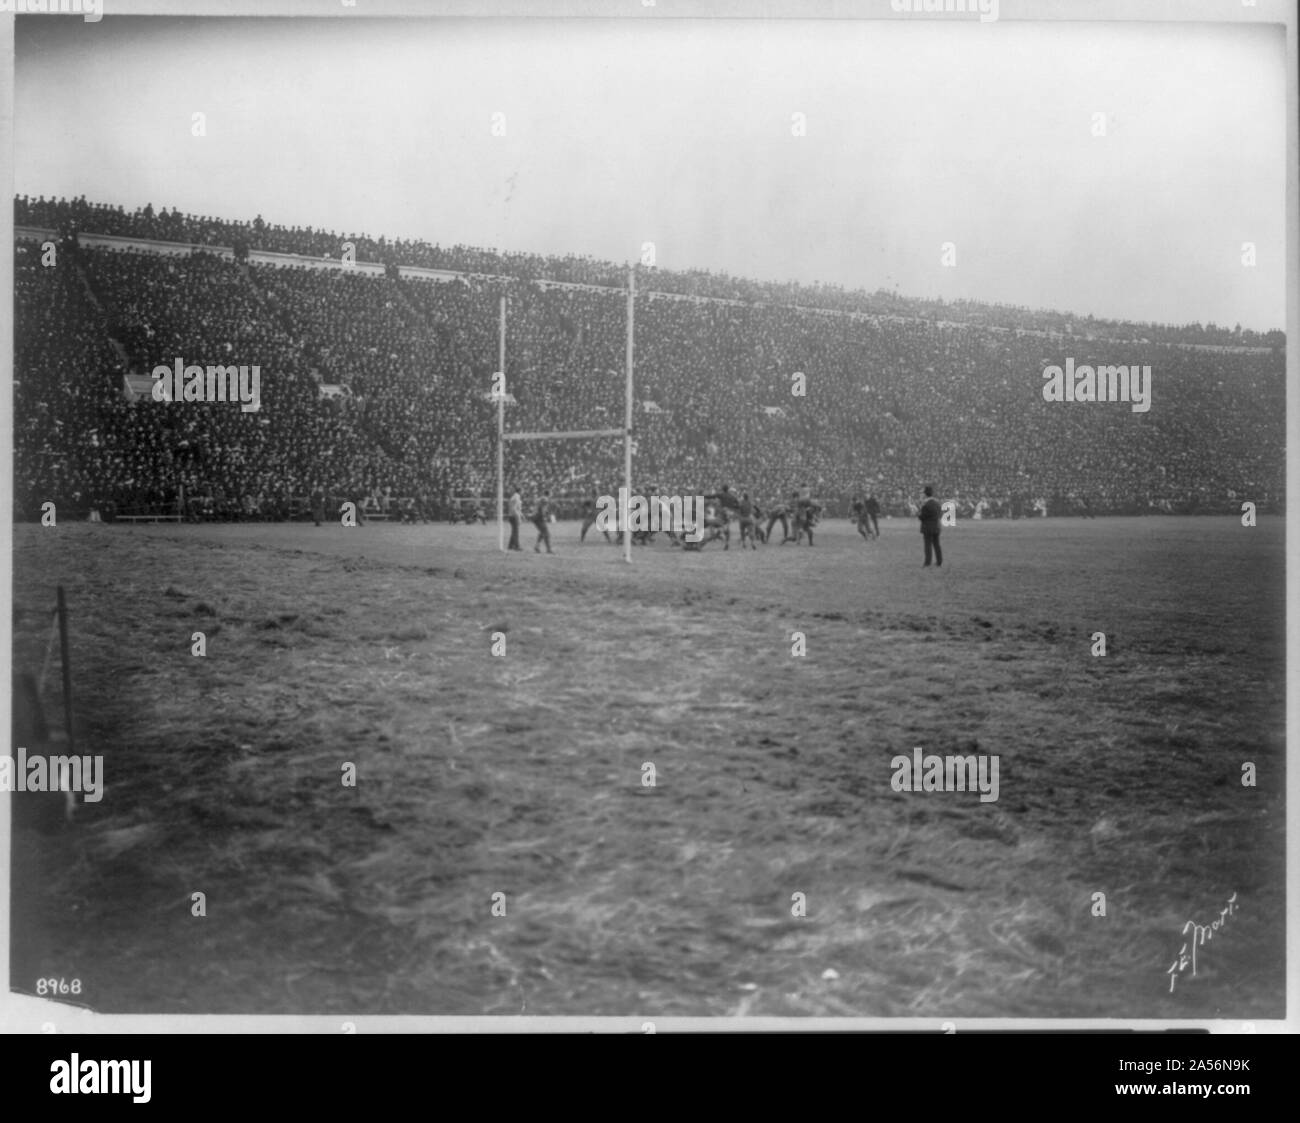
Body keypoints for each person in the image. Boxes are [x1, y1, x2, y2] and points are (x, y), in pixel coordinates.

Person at [919, 484, 943, 567]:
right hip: (936, 526)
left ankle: (927, 562)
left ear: (925, 494)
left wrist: (919, 514)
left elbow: (922, 517)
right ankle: (939, 561)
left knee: (928, 545)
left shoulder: (926, 504)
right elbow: (940, 513)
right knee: (937, 545)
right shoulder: (937, 503)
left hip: (928, 528)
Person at [507, 485, 523, 551]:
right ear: (520, 491)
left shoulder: (514, 496)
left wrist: (521, 514)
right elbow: (514, 509)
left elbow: (515, 508)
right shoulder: (517, 497)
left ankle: (510, 545)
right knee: (516, 532)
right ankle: (517, 546)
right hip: (514, 516)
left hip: (511, 516)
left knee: (514, 531)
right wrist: (518, 518)